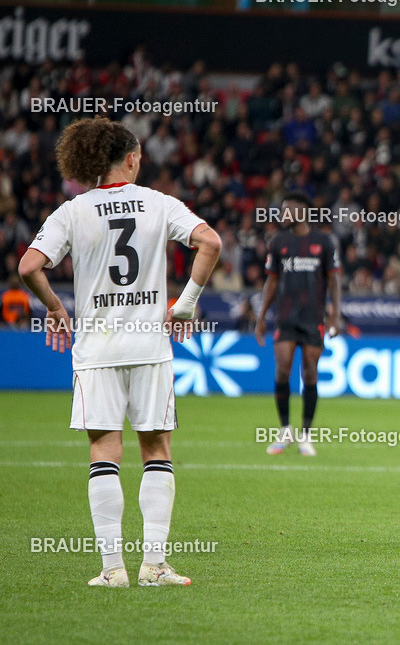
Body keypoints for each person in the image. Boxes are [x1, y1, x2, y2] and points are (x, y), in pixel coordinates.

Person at [18, 117, 221, 587]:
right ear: (130, 159)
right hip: (150, 346)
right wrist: (186, 304)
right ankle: (155, 564)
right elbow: (210, 242)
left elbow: (29, 265)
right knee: (157, 450)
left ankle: (113, 570)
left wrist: (54, 307)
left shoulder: (72, 210)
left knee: (103, 451)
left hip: (96, 350)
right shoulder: (160, 203)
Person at [256, 193, 343, 456]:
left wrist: (335, 315)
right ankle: (285, 431)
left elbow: (334, 280)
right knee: (282, 371)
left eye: (287, 210)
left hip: (313, 318)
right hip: (285, 317)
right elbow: (271, 281)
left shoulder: (323, 242)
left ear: (303, 212)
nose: (282, 215)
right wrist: (261, 316)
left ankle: (305, 435)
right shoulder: (278, 243)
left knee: (310, 372)